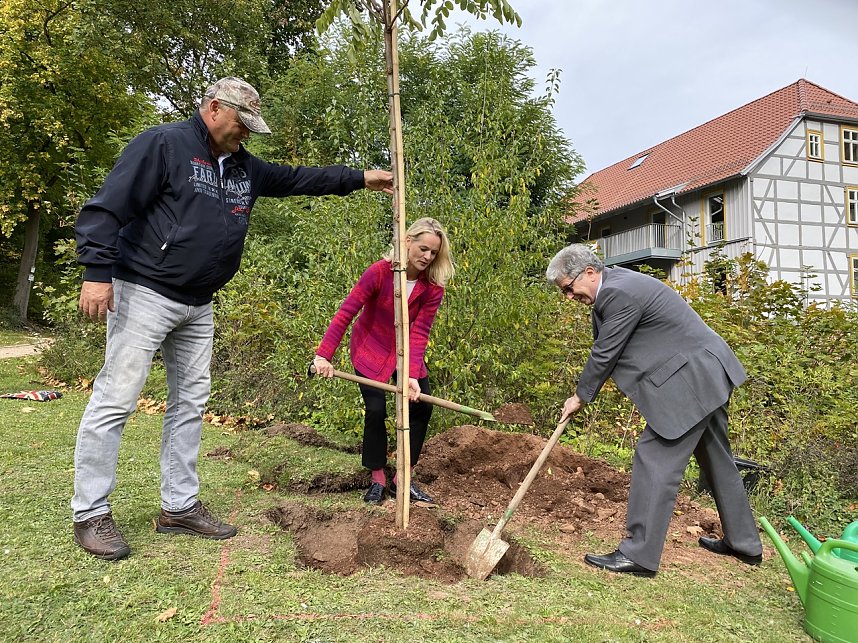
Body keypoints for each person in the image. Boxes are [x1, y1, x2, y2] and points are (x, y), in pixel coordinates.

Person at [72, 76, 393, 560]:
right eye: (242, 124)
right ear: (215, 108)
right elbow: (106, 208)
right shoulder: (163, 145)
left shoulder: (245, 168)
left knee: (191, 403)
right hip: (144, 291)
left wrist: (361, 178)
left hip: (198, 303)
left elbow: (298, 178)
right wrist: (97, 271)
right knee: (116, 399)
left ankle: (179, 506)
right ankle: (90, 513)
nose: (245, 134)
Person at [548, 243, 762, 577]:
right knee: (717, 458)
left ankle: (639, 555)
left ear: (589, 273)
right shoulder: (615, 285)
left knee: (654, 458)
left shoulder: (618, 293)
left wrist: (581, 396)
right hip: (705, 372)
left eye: (568, 288)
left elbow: (605, 352)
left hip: (691, 380)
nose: (568, 297)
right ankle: (744, 542)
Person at [312, 218, 454, 505]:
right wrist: (323, 355)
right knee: (376, 410)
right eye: (423, 248)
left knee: (422, 406)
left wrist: (412, 374)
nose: (427, 256)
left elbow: (420, 331)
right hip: (371, 350)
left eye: (434, 253)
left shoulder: (432, 287)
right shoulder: (379, 272)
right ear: (407, 242)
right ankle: (377, 477)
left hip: (404, 355)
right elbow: (346, 313)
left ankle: (403, 478)